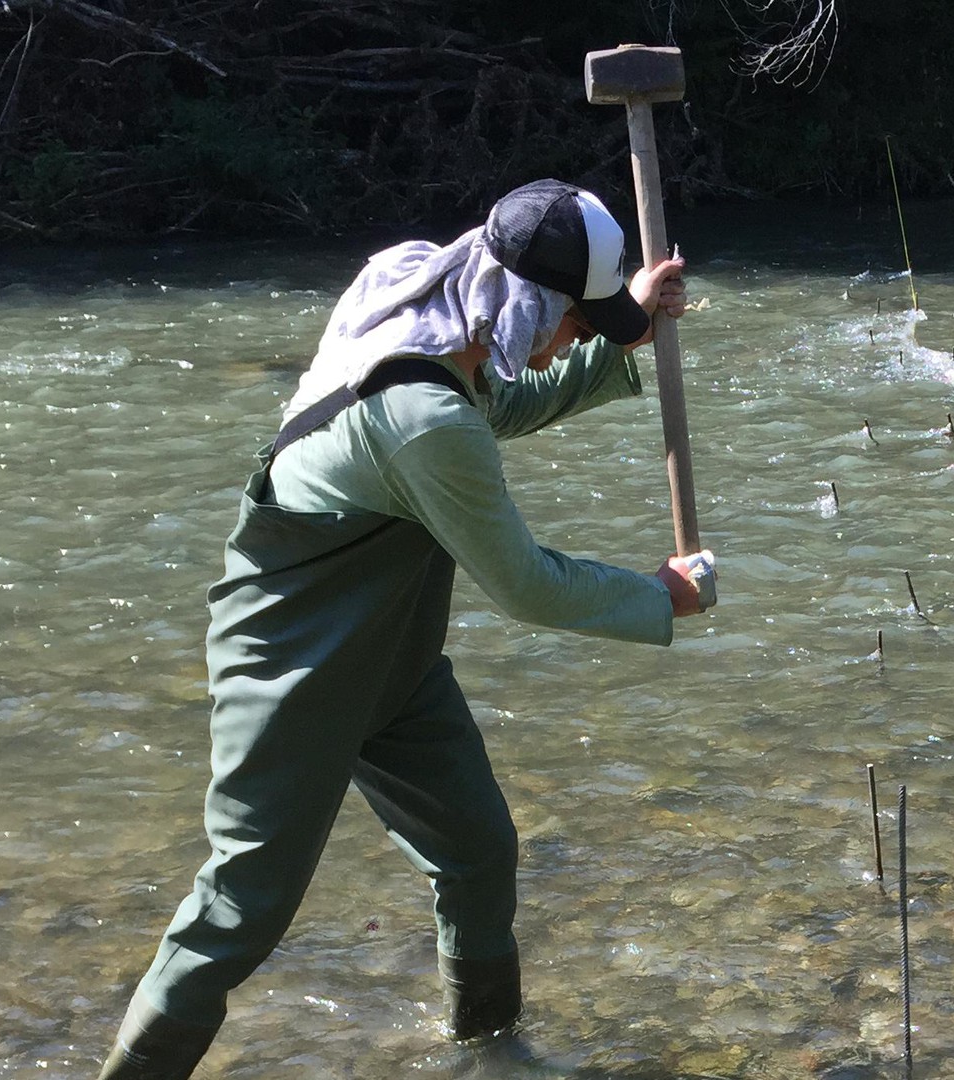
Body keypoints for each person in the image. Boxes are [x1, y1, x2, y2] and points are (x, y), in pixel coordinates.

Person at [97, 178, 714, 1079]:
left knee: (476, 853)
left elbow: (496, 404)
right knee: (242, 907)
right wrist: (662, 595)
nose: (580, 333)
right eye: (580, 320)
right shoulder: (423, 420)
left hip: (392, 655)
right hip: (290, 663)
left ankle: (488, 1055)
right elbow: (526, 585)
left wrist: (632, 335)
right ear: (530, 301)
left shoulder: (425, 293)